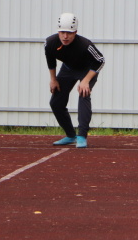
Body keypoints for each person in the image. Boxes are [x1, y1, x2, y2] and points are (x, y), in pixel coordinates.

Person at [44, 12, 105, 148]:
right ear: (58, 31)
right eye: (62, 32)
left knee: (84, 94)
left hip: (87, 69)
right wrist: (53, 79)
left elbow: (100, 61)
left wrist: (86, 80)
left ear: (75, 32)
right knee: (56, 102)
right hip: (68, 68)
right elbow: (50, 60)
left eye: (69, 33)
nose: (65, 37)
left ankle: (82, 135)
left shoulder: (85, 45)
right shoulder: (50, 43)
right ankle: (70, 135)